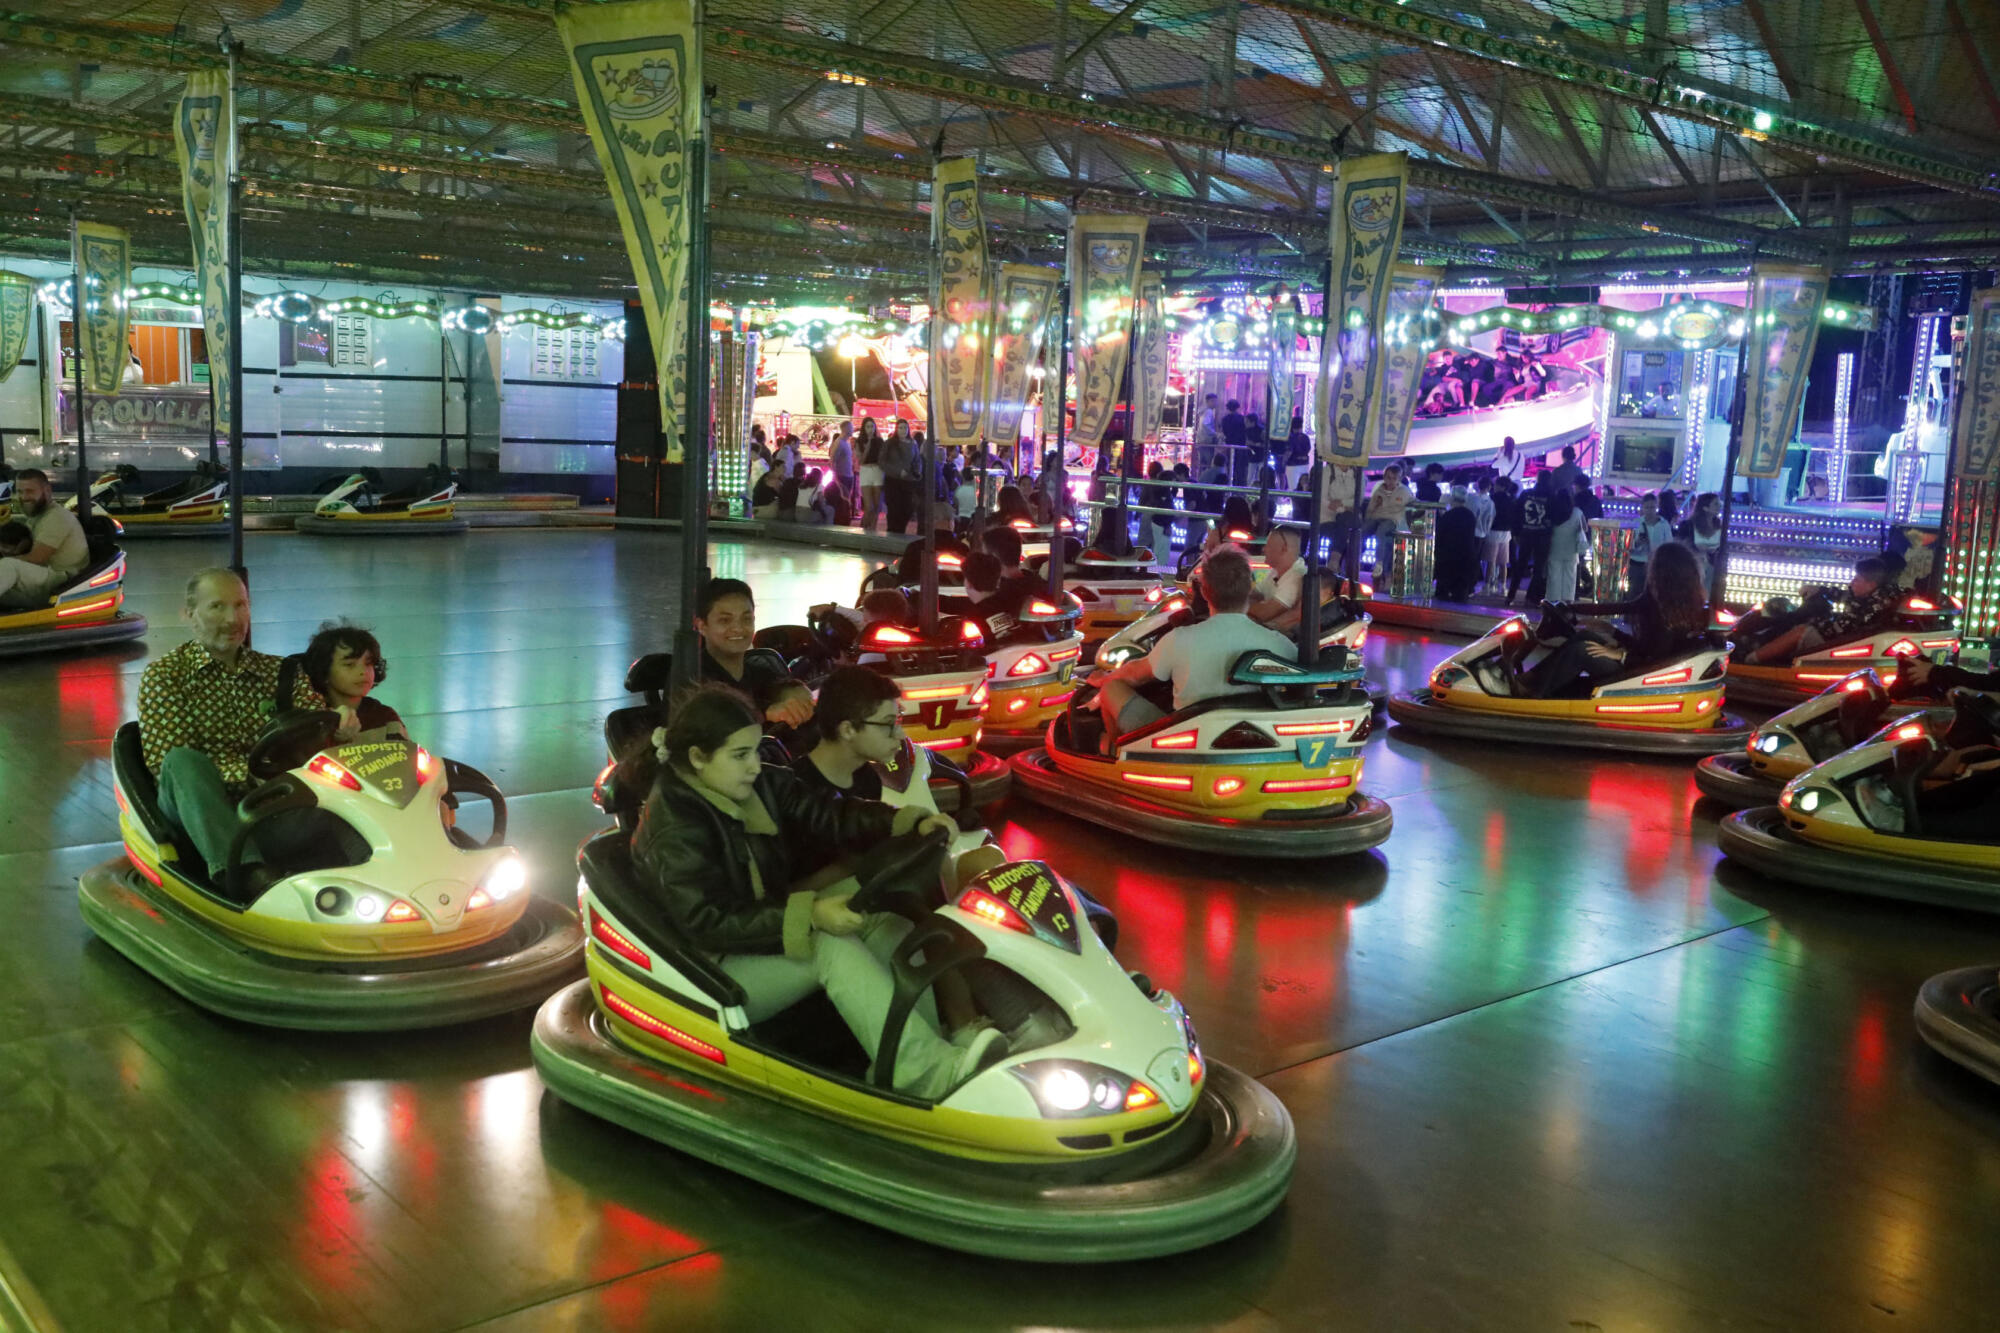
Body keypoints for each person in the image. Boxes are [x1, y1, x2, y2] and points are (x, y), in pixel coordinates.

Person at [631, 685, 1003, 1099]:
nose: (754, 766)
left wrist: (905, 821)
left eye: (755, 751)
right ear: (698, 758)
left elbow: (830, 812)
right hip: (712, 972)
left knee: (887, 907)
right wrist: (810, 914)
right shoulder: (674, 828)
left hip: (761, 931)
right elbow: (706, 921)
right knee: (828, 943)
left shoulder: (756, 783)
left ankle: (923, 1052)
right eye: (740, 755)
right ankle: (927, 1074)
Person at [136, 569, 343, 899]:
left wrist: (340, 724)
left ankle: (382, 869)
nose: (233, 619)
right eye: (217, 607)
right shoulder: (165, 676)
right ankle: (243, 874)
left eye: (240, 605)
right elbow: (173, 770)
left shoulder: (281, 673)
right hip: (200, 813)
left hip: (271, 811)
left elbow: (318, 724)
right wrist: (255, 776)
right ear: (189, 614)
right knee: (182, 761)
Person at [1092, 548, 1295, 744]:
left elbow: (1134, 674)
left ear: (1204, 592)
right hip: (1257, 738)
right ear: (1250, 588)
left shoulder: (1179, 639)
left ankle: (1116, 752)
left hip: (1185, 741)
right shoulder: (1279, 644)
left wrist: (1103, 679)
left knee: (1111, 688)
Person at [1519, 542, 1708, 698]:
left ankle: (1534, 695)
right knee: (1585, 635)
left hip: (1640, 672)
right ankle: (1531, 677)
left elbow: (1656, 659)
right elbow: (1619, 608)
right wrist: (1576, 609)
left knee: (1582, 651)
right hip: (1639, 662)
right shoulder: (1657, 600)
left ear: (1664, 575)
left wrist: (1620, 655)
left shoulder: (1669, 615)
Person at [695, 578, 813, 727]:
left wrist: (794, 695)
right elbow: (712, 720)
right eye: (725, 620)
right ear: (702, 626)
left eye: (746, 619)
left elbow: (783, 686)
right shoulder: (693, 678)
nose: (738, 628)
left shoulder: (758, 673)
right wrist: (766, 713)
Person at [1744, 555, 1900, 665]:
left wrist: (1815, 620)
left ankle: (1749, 660)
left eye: (1857, 579)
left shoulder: (1871, 606)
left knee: (1802, 631)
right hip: (1845, 639)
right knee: (1805, 622)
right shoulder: (1873, 595)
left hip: (1841, 646)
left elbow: (1839, 630)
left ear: (1871, 584)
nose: (1851, 583)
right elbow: (1845, 596)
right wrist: (1819, 590)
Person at [0, 469, 90, 610]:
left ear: (47, 490)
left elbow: (36, 558)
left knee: (9, 565)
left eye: (30, 491)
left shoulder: (57, 517)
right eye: (20, 492)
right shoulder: (37, 516)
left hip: (60, 582)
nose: (24, 497)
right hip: (40, 580)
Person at [302, 620, 407, 742]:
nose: (363, 671)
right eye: (350, 664)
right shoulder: (310, 719)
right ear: (323, 670)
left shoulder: (384, 717)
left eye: (369, 663)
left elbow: (406, 752)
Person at [1508, 472, 1554, 605]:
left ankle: (1511, 595)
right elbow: (1554, 516)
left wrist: (1515, 533)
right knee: (1539, 568)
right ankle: (1531, 597)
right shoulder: (1551, 496)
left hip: (1526, 533)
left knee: (1520, 565)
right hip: (1543, 536)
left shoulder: (1526, 494)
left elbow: (1516, 513)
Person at [1360, 464, 1411, 580]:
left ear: (1399, 478)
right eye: (1388, 478)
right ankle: (1356, 556)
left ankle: (1379, 562)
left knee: (1382, 531)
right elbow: (1371, 506)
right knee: (1362, 530)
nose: (1391, 481)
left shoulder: (1404, 491)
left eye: (1394, 478)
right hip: (1377, 517)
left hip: (1392, 519)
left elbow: (1413, 500)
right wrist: (1368, 517)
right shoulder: (1379, 490)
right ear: (1384, 477)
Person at [1248, 525, 1306, 625]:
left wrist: (1236, 607)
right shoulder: (1275, 572)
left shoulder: (1296, 577)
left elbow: (1264, 613)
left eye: (1268, 545)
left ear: (1284, 549)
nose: (1264, 549)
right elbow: (1255, 594)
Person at [1433, 486, 1481, 602]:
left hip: (1447, 558)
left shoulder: (1447, 516)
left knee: (1442, 597)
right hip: (1465, 558)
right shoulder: (1470, 515)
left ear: (1452, 498)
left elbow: (1440, 536)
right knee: (1460, 595)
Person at [1625, 492, 1675, 599]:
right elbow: (1627, 546)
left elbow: (1669, 544)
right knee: (1634, 592)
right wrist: (1637, 543)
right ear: (1642, 508)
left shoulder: (1663, 524)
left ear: (1656, 507)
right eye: (1647, 507)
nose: (1650, 510)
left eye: (1652, 507)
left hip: (1656, 564)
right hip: (1637, 563)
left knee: (1654, 592)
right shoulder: (1635, 523)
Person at [1542, 486, 1584, 603]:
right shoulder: (1577, 512)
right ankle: (1568, 600)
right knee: (1570, 576)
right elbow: (1584, 529)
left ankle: (1553, 600)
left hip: (1555, 548)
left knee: (1554, 576)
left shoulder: (1553, 511)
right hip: (1572, 549)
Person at [880, 419, 919, 534]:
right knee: (894, 509)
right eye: (900, 428)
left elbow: (917, 460)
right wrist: (897, 471)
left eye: (905, 428)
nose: (903, 430)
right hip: (893, 481)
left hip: (908, 481)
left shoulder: (913, 443)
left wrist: (917, 472)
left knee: (907, 509)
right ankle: (892, 533)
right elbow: (882, 462)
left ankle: (900, 532)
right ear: (896, 429)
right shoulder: (889, 443)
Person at [1480, 476, 1515, 597]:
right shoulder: (1511, 499)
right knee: (1503, 562)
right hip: (1506, 533)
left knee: (1491, 561)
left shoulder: (1493, 498)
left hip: (1493, 531)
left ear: (1501, 486)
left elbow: (1488, 515)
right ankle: (1503, 586)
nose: (1494, 487)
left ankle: (1487, 586)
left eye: (1496, 484)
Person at [1679, 491, 1722, 587]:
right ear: (1705, 508)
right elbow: (1680, 547)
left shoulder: (1718, 525)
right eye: (1716, 504)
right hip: (1691, 567)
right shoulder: (1688, 525)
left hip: (1711, 568)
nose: (1720, 506)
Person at [856, 417, 886, 533]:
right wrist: (868, 445)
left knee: (877, 505)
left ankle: (873, 529)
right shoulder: (859, 441)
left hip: (877, 471)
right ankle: (863, 529)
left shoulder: (879, 441)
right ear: (864, 428)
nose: (870, 429)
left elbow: (883, 457)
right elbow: (861, 461)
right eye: (868, 426)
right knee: (869, 506)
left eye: (872, 426)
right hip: (866, 471)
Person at [829, 420, 857, 503]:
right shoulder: (839, 443)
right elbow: (832, 461)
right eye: (851, 427)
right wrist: (836, 478)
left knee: (847, 500)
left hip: (848, 475)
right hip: (842, 477)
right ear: (846, 429)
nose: (853, 429)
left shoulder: (846, 442)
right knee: (843, 502)